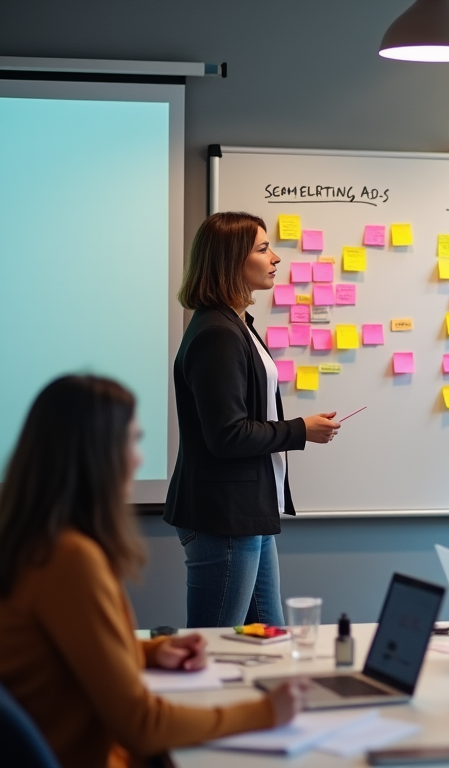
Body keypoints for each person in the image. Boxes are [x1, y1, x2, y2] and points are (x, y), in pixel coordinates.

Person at [0, 375, 306, 768]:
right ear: (94, 454)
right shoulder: (70, 560)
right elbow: (142, 724)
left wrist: (153, 652)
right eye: (130, 441)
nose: (138, 458)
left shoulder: (34, 542)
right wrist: (265, 712)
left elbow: (65, 657)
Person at [164, 212, 340, 628]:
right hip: (224, 516)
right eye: (262, 249)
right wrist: (301, 431)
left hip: (247, 511)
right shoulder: (217, 334)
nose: (275, 258)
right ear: (229, 261)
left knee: (270, 639)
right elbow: (227, 435)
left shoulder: (235, 325)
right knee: (215, 644)